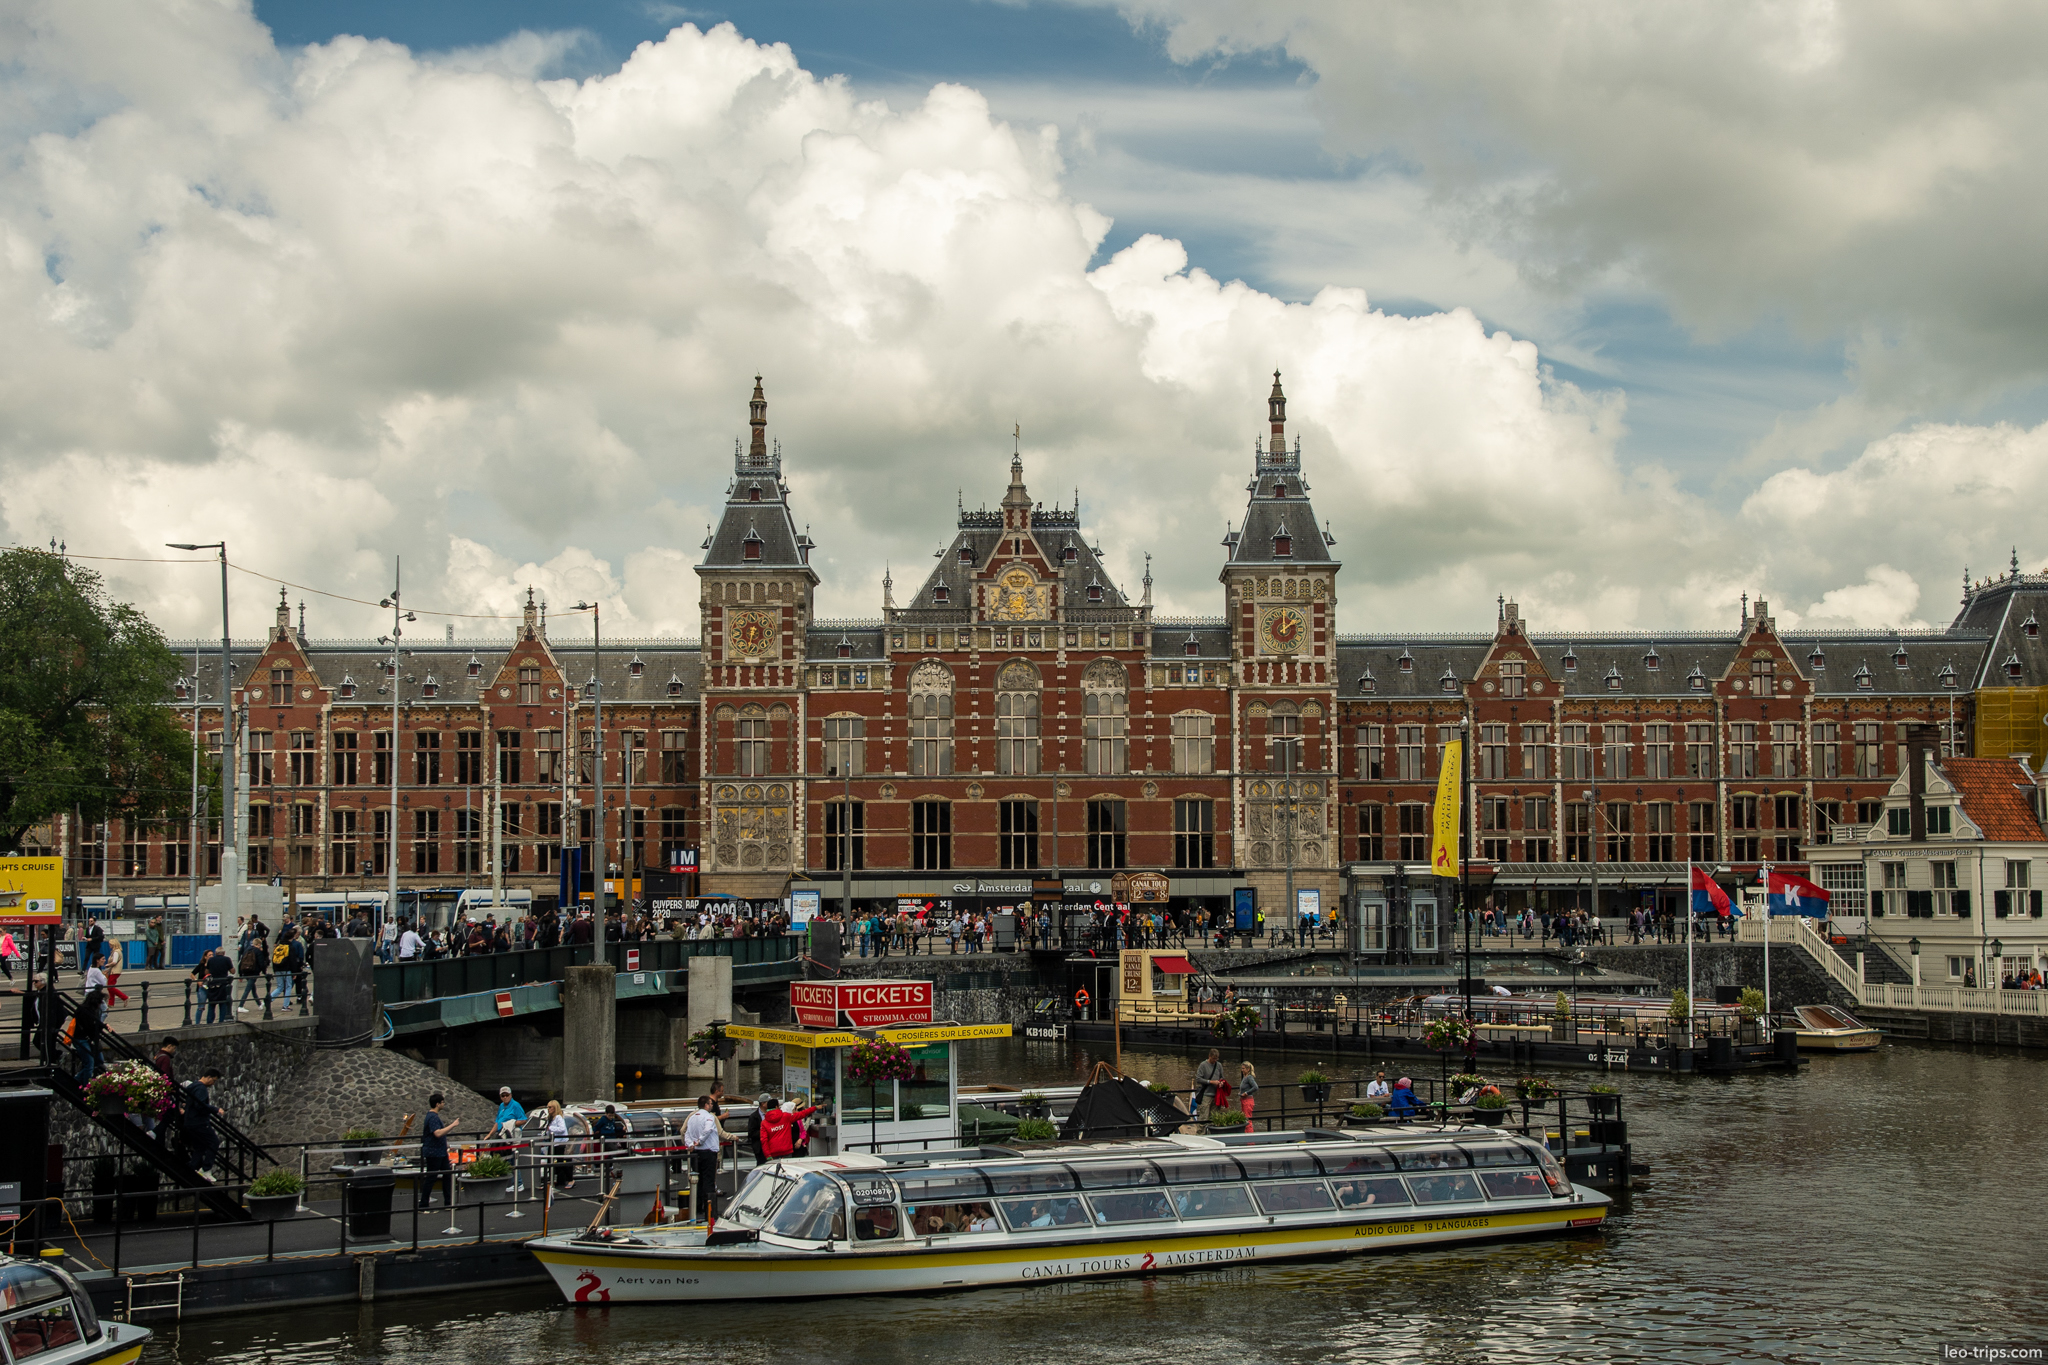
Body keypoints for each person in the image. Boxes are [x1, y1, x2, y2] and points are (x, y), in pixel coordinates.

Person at [683, 1095, 722, 1220]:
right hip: (709, 1151)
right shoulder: (709, 1117)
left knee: (697, 1181)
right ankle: (710, 1211)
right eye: (710, 1103)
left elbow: (687, 1134)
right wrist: (700, 1141)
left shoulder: (692, 1117)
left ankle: (697, 1208)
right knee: (709, 1181)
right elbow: (708, 1130)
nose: (712, 1105)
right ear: (706, 1105)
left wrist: (690, 1145)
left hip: (696, 1153)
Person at [417, 1092, 458, 1209]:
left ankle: (448, 1202)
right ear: (437, 1104)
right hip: (434, 1152)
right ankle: (423, 1203)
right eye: (442, 1102)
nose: (444, 1104)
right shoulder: (433, 1117)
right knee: (431, 1177)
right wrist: (453, 1125)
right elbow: (438, 1133)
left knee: (447, 1175)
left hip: (440, 1151)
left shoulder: (432, 1116)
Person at [183, 1066, 225, 1179]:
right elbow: (200, 1105)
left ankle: (191, 1168)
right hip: (199, 1122)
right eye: (214, 1080)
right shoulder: (201, 1088)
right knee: (214, 1142)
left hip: (190, 1122)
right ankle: (206, 1169)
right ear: (209, 1077)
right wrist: (215, 1109)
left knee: (200, 1146)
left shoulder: (193, 1086)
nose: (213, 1083)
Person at [545, 1100, 576, 1191]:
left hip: (560, 1143)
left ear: (555, 1108)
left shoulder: (558, 1117)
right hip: (553, 1142)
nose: (548, 1109)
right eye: (548, 1107)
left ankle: (571, 1180)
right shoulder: (550, 1118)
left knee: (561, 1162)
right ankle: (550, 1181)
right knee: (550, 1161)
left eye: (550, 1107)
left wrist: (550, 1128)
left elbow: (562, 1129)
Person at [1191, 1048, 1226, 1118]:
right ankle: (1201, 1129)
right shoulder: (1203, 1065)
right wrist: (1211, 1082)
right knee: (1204, 1116)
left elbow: (1222, 1077)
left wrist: (1222, 1083)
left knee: (1214, 1117)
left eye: (1216, 1059)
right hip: (1206, 1094)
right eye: (1213, 1058)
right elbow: (1198, 1079)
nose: (1215, 1060)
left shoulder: (1219, 1065)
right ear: (1209, 1056)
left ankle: (1211, 1128)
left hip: (1217, 1095)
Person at [747, 1093, 776, 1166]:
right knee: (762, 1166)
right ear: (763, 1104)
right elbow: (751, 1133)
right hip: (760, 1148)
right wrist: (764, 1132)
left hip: (772, 1146)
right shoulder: (754, 1117)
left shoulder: (772, 1114)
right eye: (768, 1102)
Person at [1235, 1061, 1259, 1133]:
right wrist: (1241, 1093)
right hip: (1244, 1100)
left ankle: (1250, 1138)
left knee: (1247, 1119)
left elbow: (1255, 1087)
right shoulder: (1245, 1077)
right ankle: (1246, 1134)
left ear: (1248, 1069)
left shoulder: (1249, 1077)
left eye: (1243, 1068)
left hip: (1247, 1101)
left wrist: (1246, 1093)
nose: (1242, 1070)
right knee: (1245, 1118)